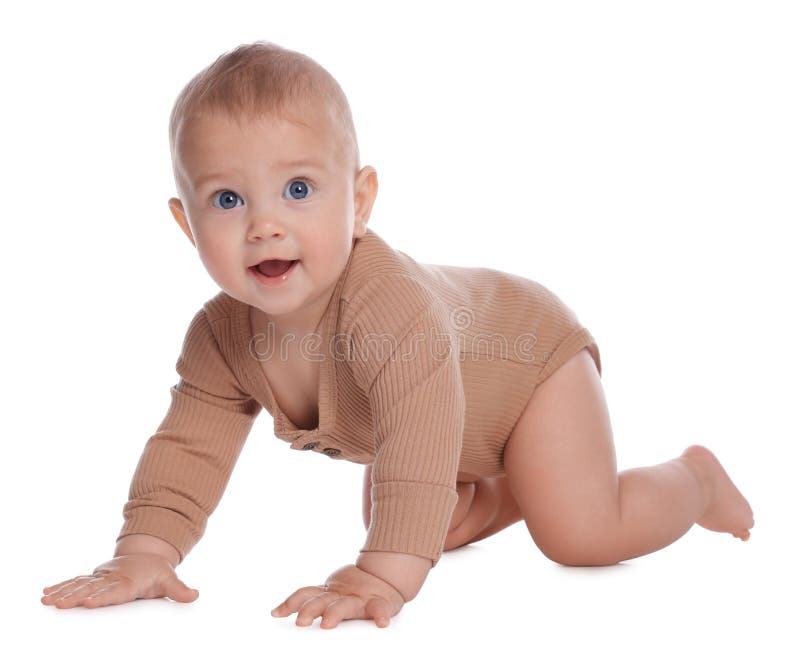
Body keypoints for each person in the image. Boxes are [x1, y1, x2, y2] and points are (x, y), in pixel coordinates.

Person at [41, 40, 754, 629]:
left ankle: (693, 479)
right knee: (426, 523)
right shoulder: (219, 338)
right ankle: (527, 482)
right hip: (455, 429)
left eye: (297, 189)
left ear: (358, 202)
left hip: (531, 365)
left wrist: (380, 575)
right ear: (186, 224)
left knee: (578, 533)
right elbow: (189, 446)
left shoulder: (389, 309)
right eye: (227, 199)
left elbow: (415, 435)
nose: (265, 225)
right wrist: (144, 553)